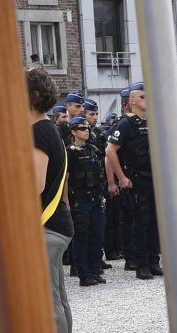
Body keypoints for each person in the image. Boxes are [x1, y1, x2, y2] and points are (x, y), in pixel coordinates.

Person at [26, 66, 78, 333]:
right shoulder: (46, 129)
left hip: (45, 225)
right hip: (55, 224)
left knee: (50, 302)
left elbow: (34, 185)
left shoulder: (38, 132)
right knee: (57, 299)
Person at [109, 83, 162, 279]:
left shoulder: (151, 122)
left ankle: (153, 261)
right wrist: (121, 177)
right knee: (141, 222)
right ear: (132, 101)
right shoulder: (125, 124)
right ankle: (141, 265)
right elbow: (110, 151)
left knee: (155, 222)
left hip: (152, 179)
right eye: (143, 97)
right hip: (136, 180)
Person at [65, 116, 108, 286]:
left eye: (87, 128)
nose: (87, 131)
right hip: (80, 199)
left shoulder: (93, 150)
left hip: (96, 198)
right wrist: (66, 202)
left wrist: (103, 196)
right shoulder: (69, 152)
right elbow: (66, 180)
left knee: (97, 234)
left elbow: (100, 175)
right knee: (82, 236)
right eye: (82, 129)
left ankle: (95, 270)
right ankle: (84, 273)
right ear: (73, 132)